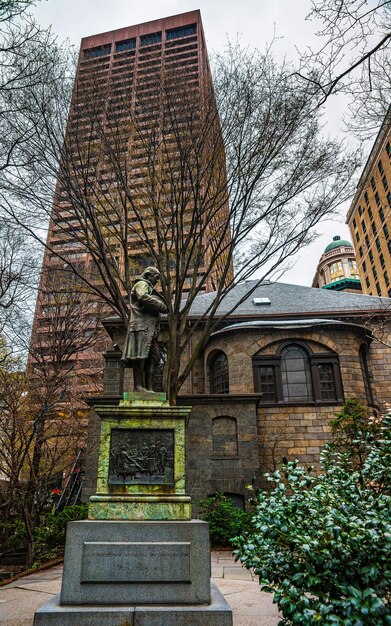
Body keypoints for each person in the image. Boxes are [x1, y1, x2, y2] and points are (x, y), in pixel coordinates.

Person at [122, 266, 168, 392]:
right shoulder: (142, 284)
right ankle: (138, 387)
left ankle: (149, 388)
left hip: (150, 330)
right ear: (148, 275)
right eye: (156, 277)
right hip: (140, 327)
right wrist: (161, 306)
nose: (157, 281)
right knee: (140, 356)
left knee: (154, 358)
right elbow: (142, 297)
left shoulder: (149, 287)